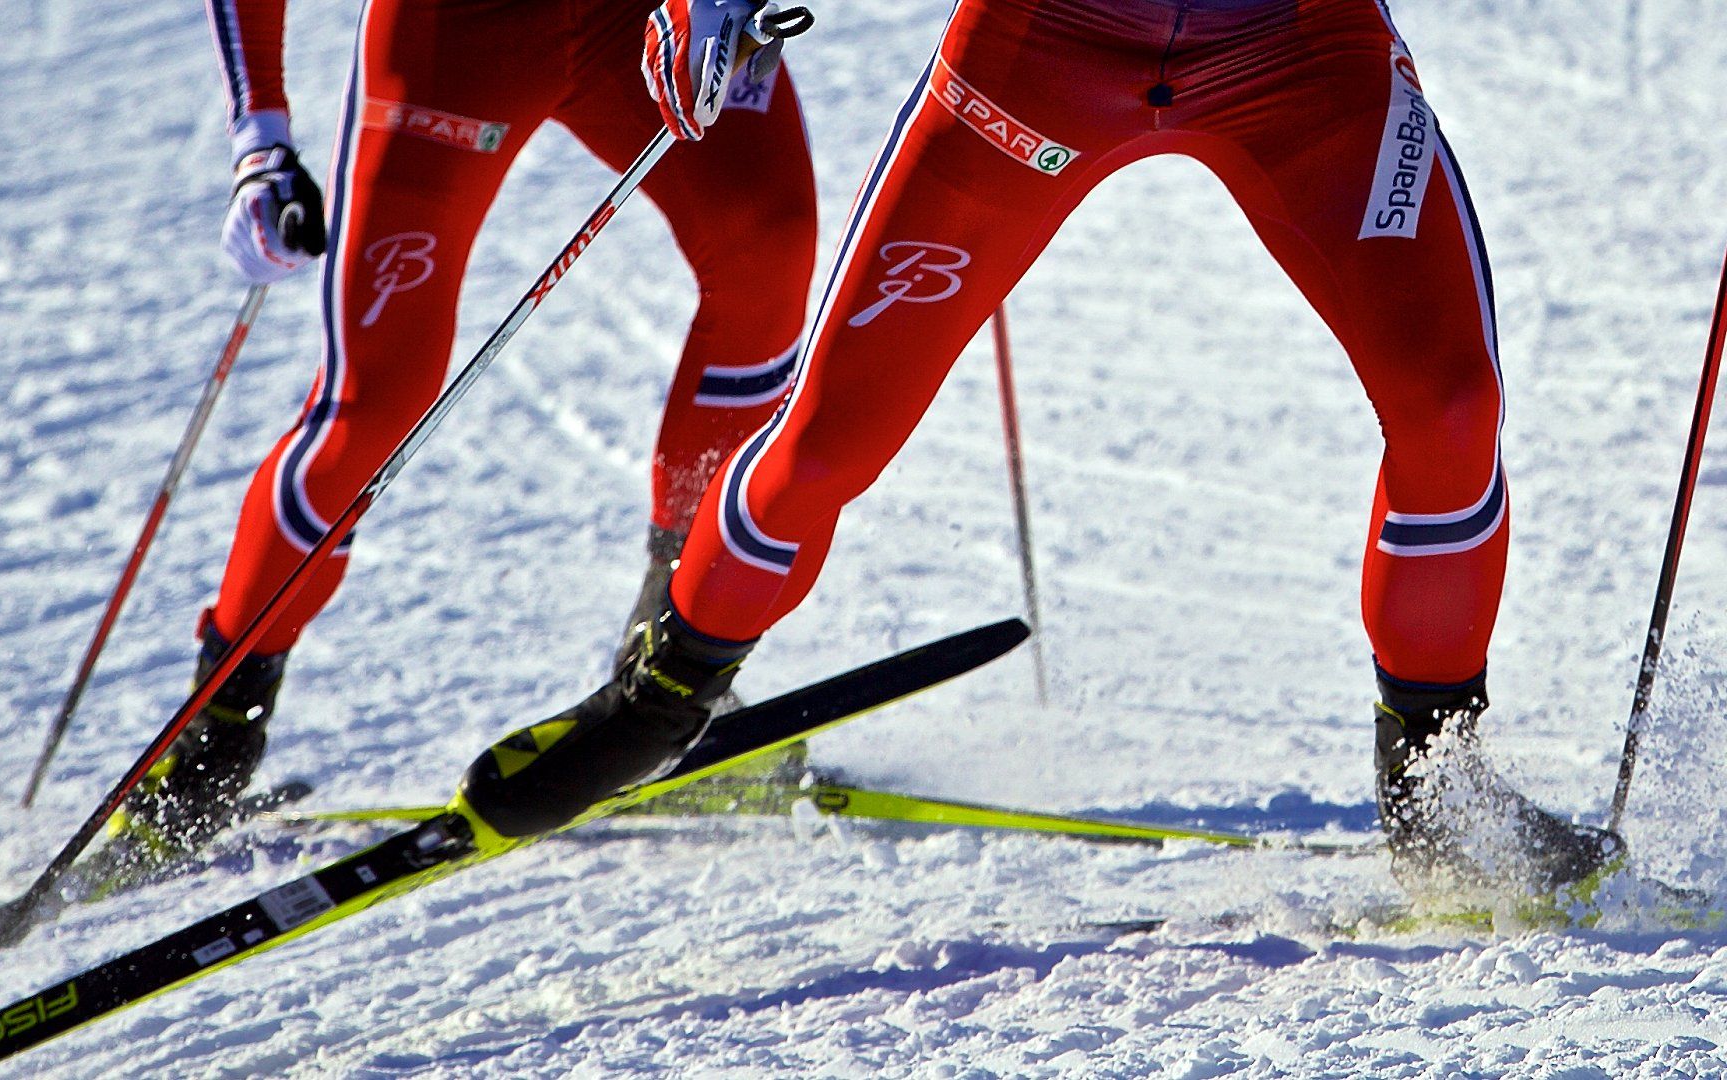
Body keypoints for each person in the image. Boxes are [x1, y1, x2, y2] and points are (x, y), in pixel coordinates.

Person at [461, 0, 1622, 896]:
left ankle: (1437, 792)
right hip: (1041, 55)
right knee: (827, 442)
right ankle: (659, 702)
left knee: (1451, 409)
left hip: (1300, 56)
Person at [105, 0, 819, 868]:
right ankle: (212, 741)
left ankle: (668, 682)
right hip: (462, 34)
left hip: (648, 15)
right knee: (378, 402)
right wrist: (260, 140)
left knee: (768, 250)